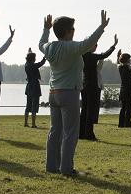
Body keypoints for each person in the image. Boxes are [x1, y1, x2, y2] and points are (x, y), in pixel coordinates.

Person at [39, 11, 109, 176]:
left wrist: (46, 29)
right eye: (73, 28)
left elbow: (41, 42)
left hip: (53, 93)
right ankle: (66, 168)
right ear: (68, 31)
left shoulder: (49, 47)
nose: (74, 31)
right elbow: (89, 42)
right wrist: (102, 27)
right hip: (69, 93)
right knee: (70, 132)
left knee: (55, 130)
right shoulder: (71, 47)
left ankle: (51, 166)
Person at [80, 35, 117, 141]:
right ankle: (89, 134)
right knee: (90, 111)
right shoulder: (90, 56)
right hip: (92, 85)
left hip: (84, 84)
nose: (96, 46)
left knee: (84, 110)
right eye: (94, 44)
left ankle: (81, 133)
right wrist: (113, 46)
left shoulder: (81, 55)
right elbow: (104, 55)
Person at [24, 48, 47, 128]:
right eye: (34, 57)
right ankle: (33, 124)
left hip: (29, 87)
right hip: (35, 87)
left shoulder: (26, 65)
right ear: (33, 59)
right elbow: (41, 63)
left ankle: (26, 123)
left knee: (28, 106)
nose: (35, 59)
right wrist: (45, 56)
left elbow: (29, 60)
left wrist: (29, 52)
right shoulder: (33, 66)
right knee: (34, 106)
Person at [116, 50, 131, 128]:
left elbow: (118, 62)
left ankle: (121, 123)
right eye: (129, 59)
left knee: (123, 108)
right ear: (127, 60)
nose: (130, 60)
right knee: (129, 108)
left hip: (123, 89)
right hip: (129, 89)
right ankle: (127, 123)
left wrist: (118, 56)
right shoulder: (128, 68)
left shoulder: (120, 67)